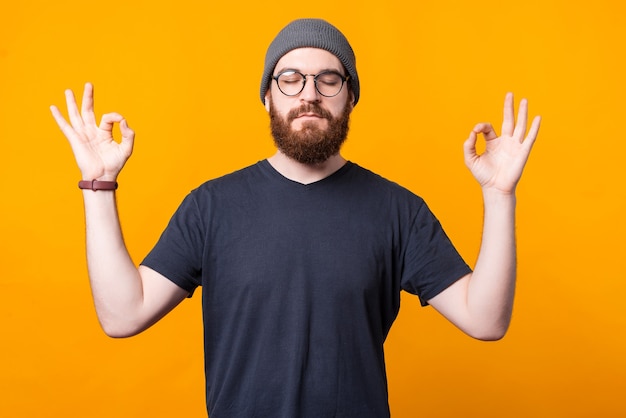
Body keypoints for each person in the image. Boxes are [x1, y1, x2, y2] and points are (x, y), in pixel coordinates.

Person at [50, 18, 541, 418]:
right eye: (290, 79)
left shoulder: (397, 211)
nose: (309, 93)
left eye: (329, 79)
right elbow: (122, 314)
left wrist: (500, 196)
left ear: (350, 98)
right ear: (268, 96)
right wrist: (99, 184)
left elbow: (486, 320)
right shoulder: (212, 206)